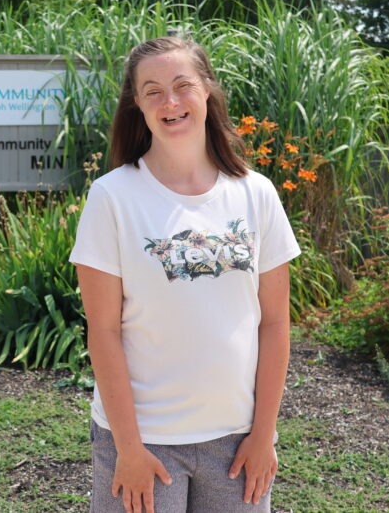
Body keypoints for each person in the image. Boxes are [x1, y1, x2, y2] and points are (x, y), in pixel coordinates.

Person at [69, 36, 300, 513]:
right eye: (152, 91)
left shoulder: (256, 194)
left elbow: (274, 323)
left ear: (208, 90)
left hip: (238, 442)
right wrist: (129, 450)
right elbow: (104, 332)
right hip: (144, 441)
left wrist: (264, 434)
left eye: (182, 85)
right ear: (137, 105)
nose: (169, 102)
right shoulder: (112, 198)